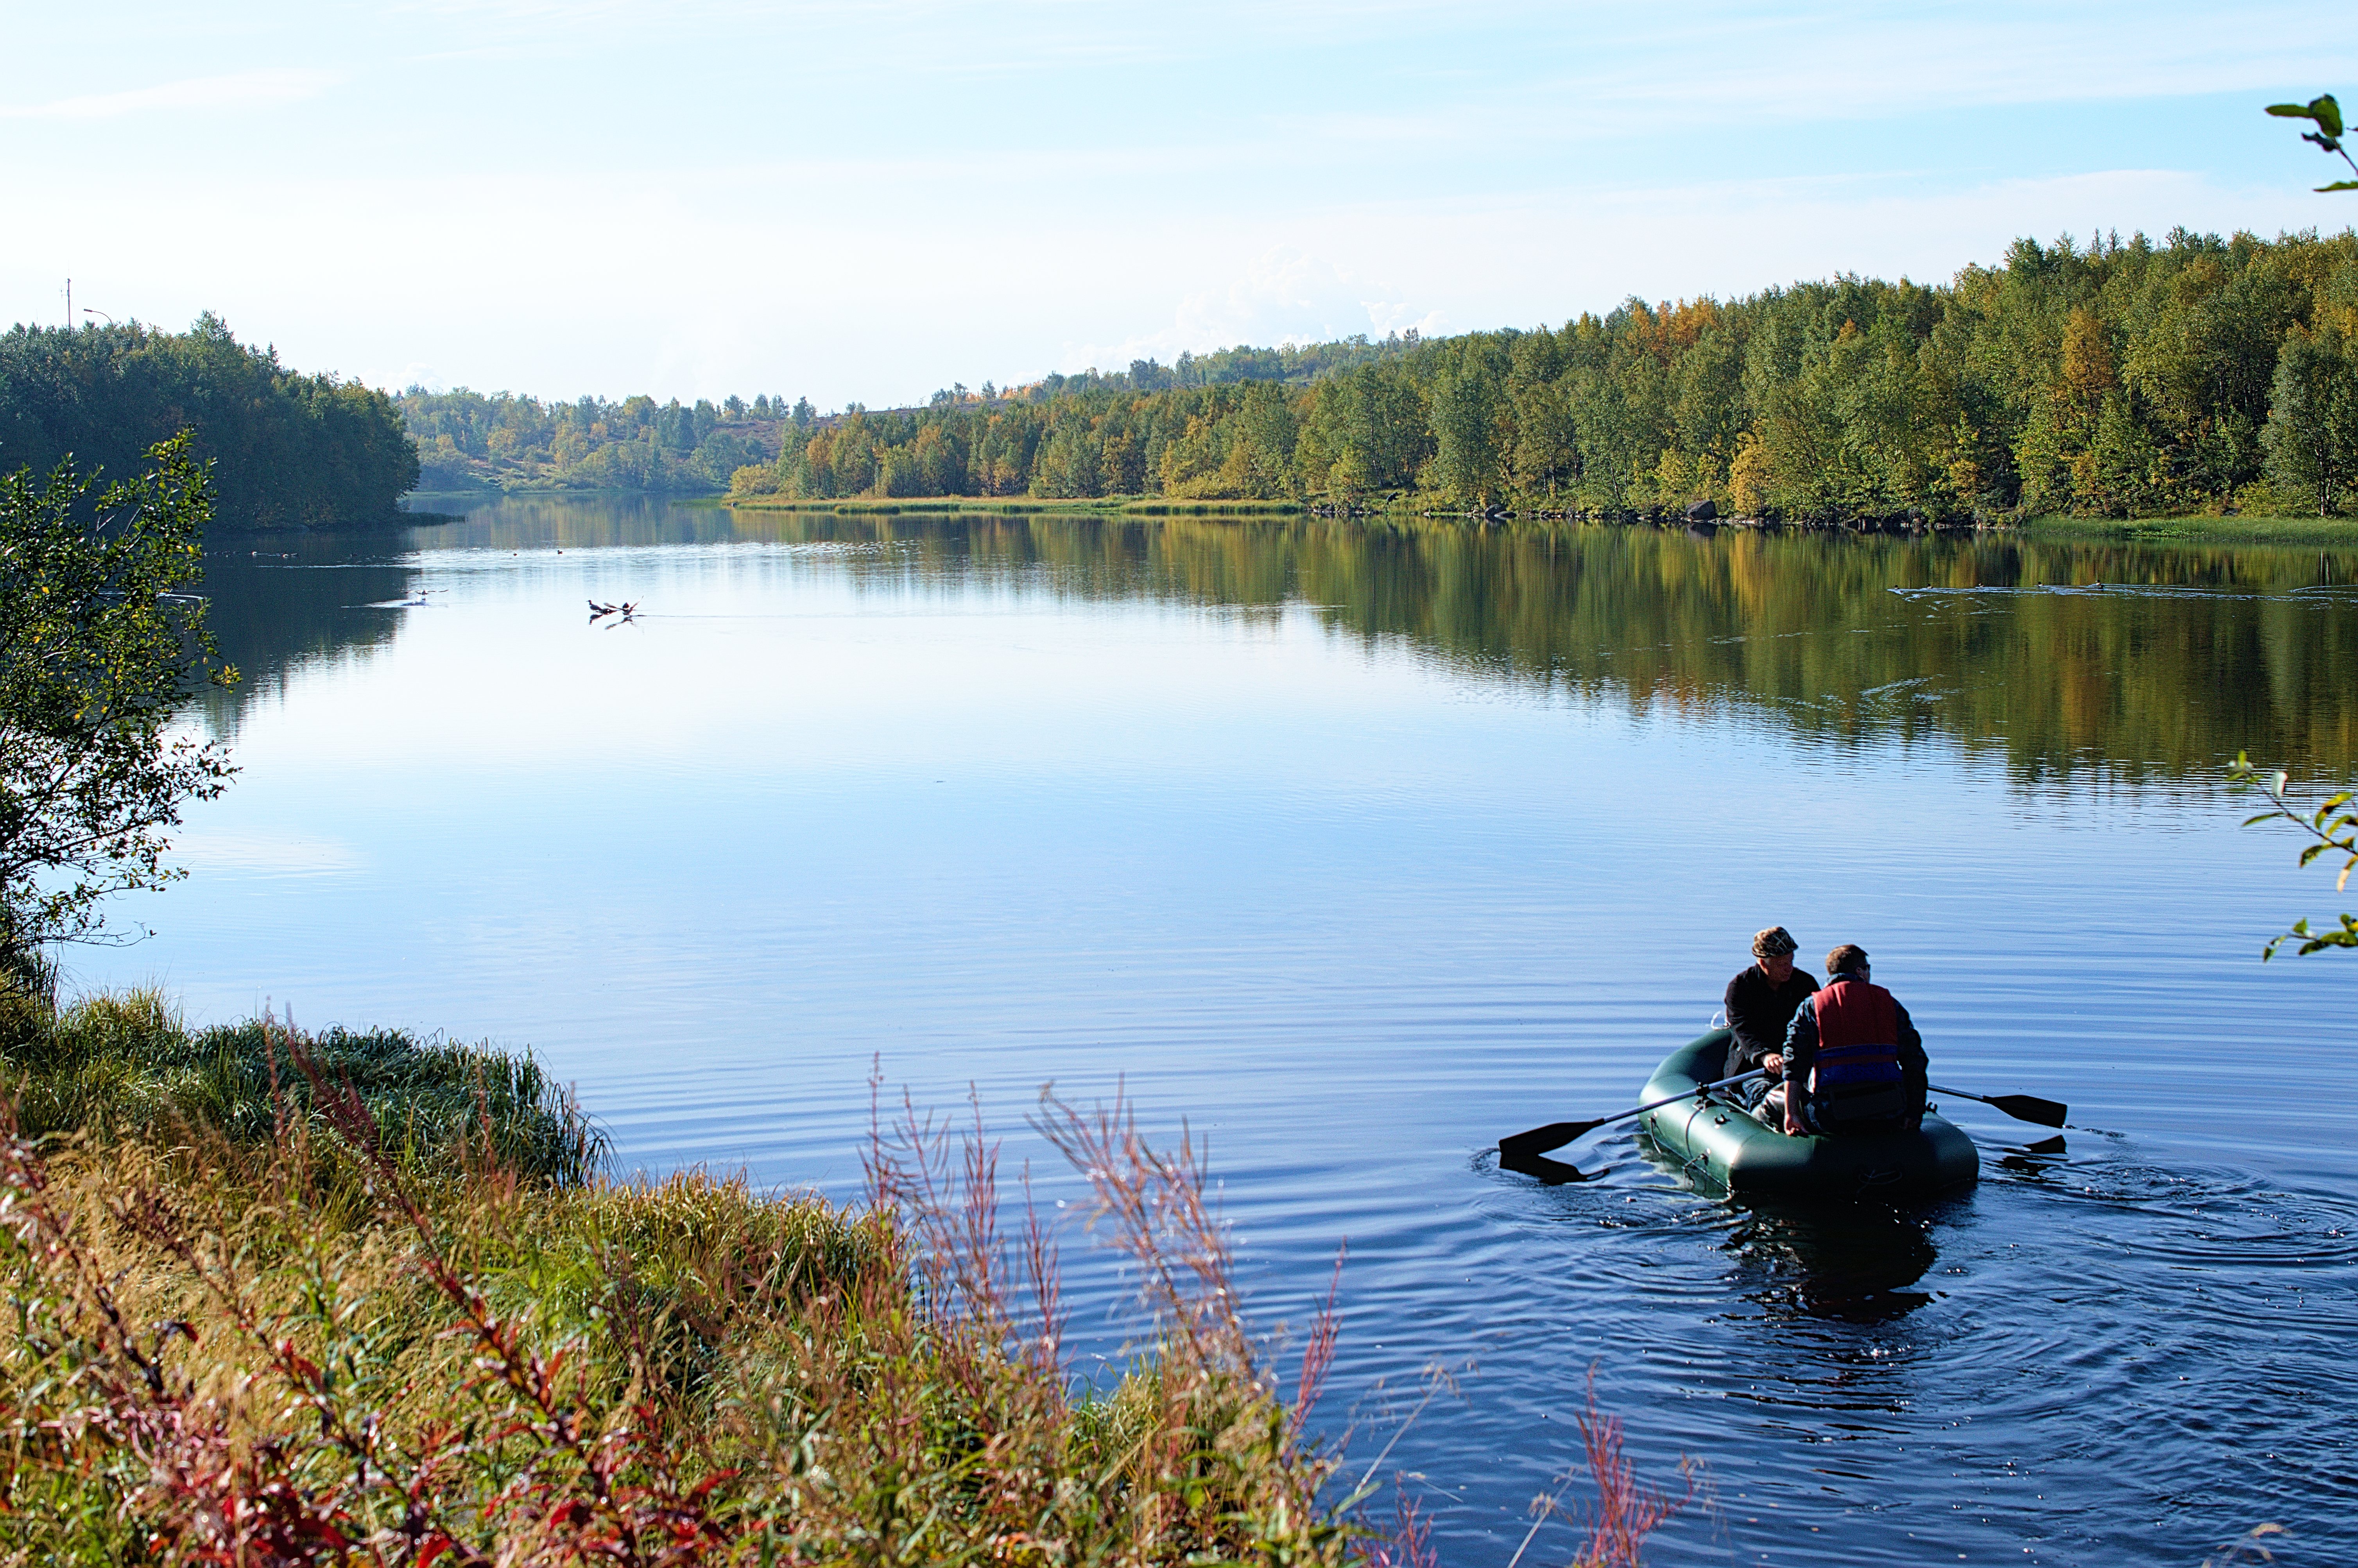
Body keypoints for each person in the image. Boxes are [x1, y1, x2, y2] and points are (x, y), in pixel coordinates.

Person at [1767, 945, 1929, 1137]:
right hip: (1889, 1113)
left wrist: (1792, 1114)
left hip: (1834, 1117)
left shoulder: (1812, 1007)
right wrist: (1914, 1113)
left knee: (1775, 1099)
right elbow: (1916, 1062)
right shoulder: (1890, 1003)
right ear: (1860, 971)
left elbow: (1794, 1064)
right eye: (1868, 968)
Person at [1723, 927, 1817, 1108]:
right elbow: (1742, 1028)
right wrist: (1764, 1055)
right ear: (1763, 963)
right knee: (1763, 1095)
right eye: (1781, 965)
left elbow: (1816, 1022)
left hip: (1797, 1061)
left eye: (1791, 962)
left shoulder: (1805, 983)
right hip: (1755, 1068)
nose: (1788, 969)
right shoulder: (1740, 987)